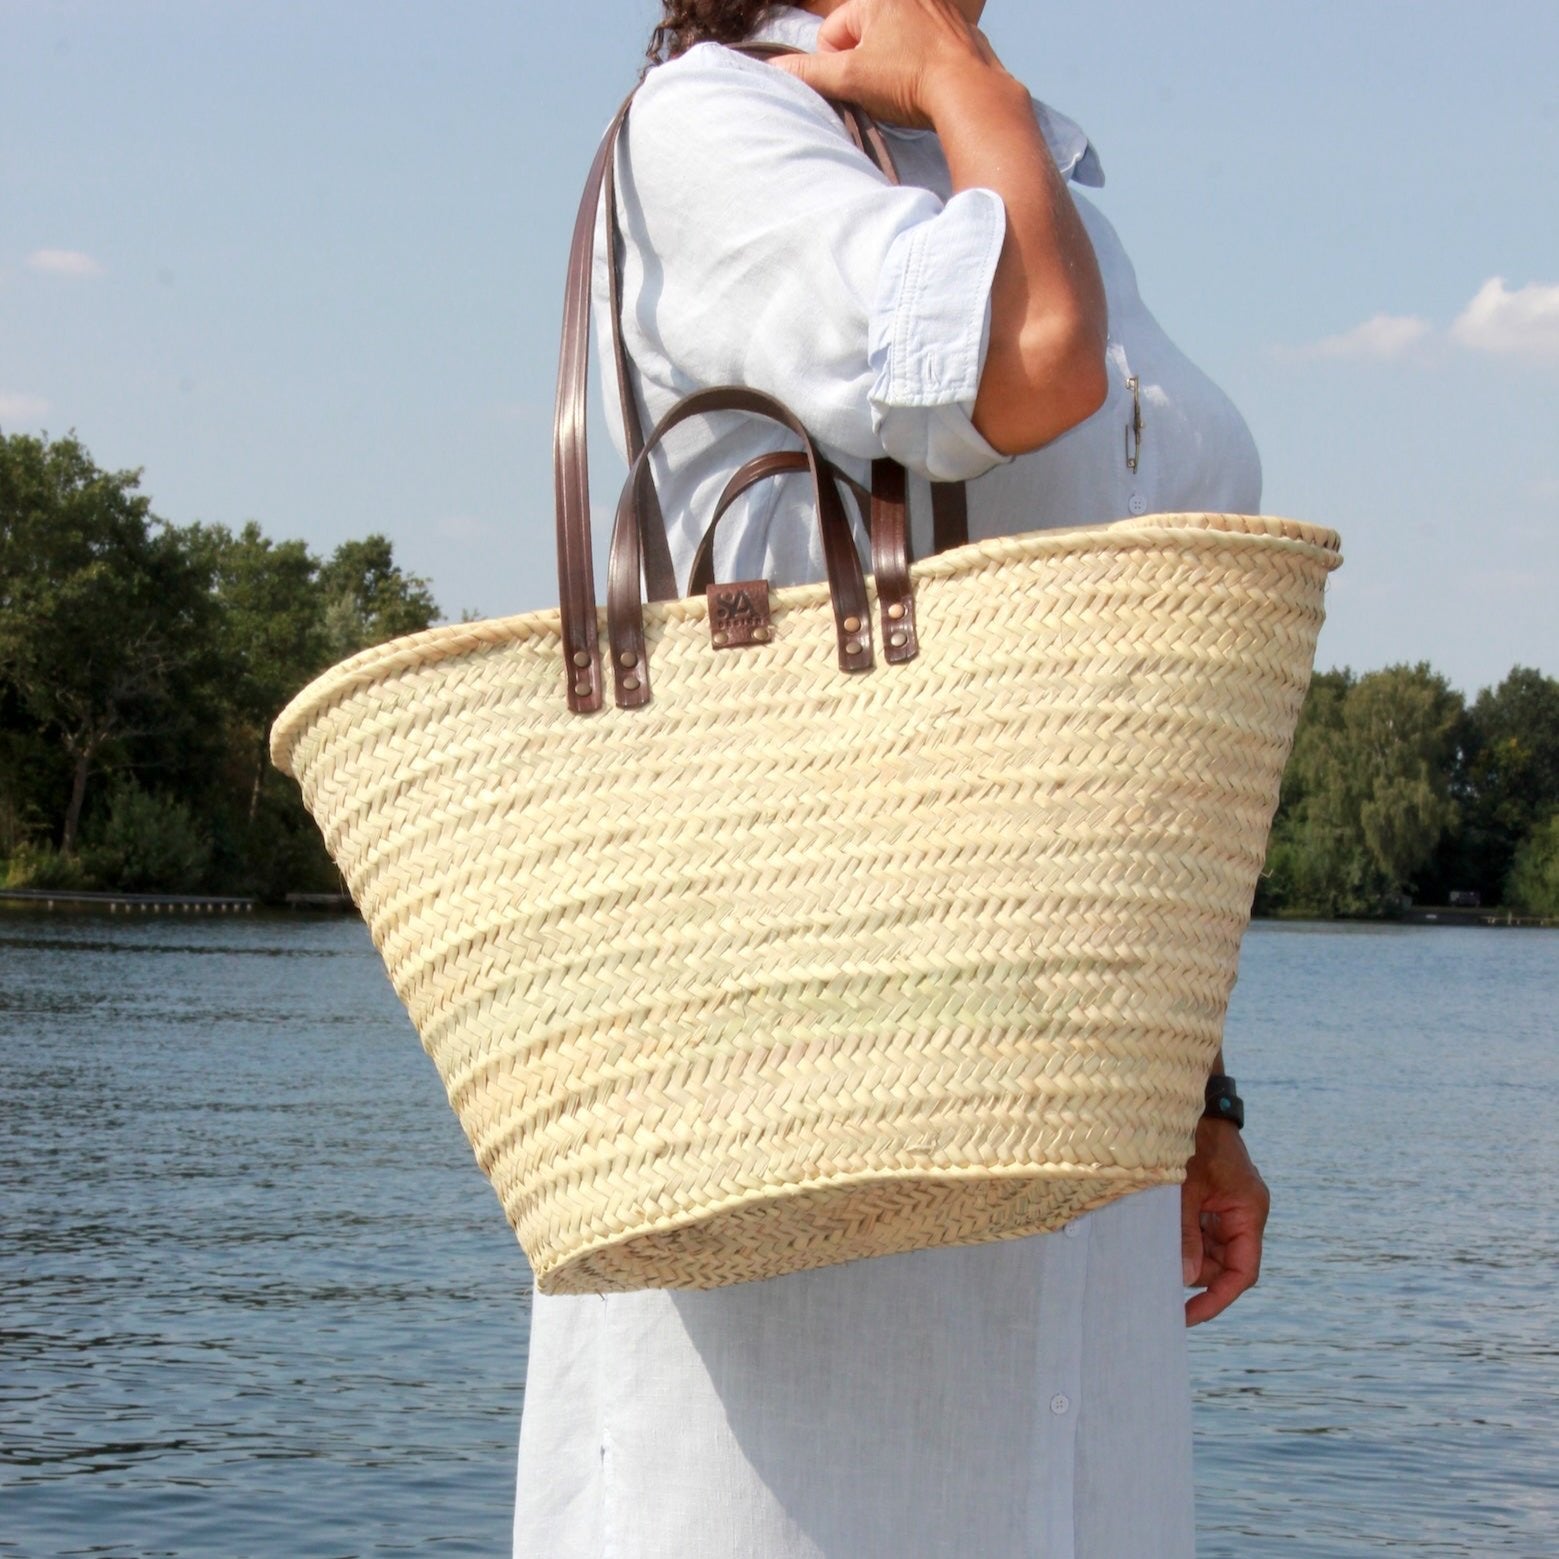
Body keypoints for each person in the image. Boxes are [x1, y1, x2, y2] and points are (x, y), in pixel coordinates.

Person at [515, 4, 1271, 1554]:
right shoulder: (714, 124)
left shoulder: (1029, 162)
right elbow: (1025, 370)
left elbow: (1132, 698)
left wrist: (1198, 1091)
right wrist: (954, 74)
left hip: (1070, 1088)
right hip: (798, 1038)